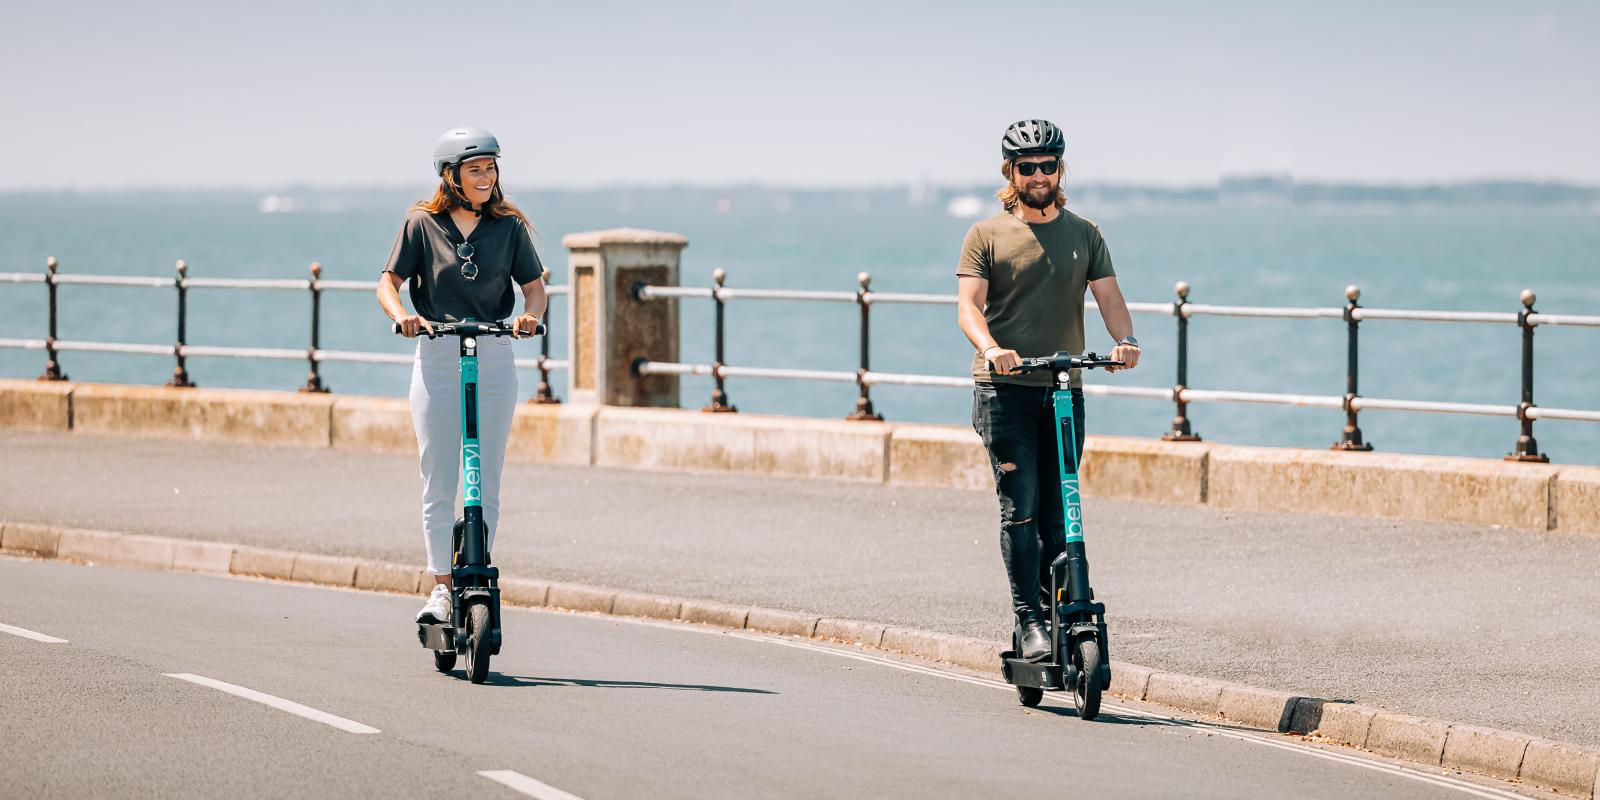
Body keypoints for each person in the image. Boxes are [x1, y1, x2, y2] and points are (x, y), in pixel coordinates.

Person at [956, 119, 1141, 660]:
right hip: (1004, 391)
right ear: (1010, 173)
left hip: (1063, 389)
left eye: (1047, 165)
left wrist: (1125, 340)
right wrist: (992, 349)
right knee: (1023, 508)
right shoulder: (986, 235)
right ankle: (1031, 619)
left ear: (1061, 169)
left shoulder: (1086, 233)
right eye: (1027, 167)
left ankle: (1063, 610)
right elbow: (969, 306)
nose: (1039, 175)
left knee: (1064, 511)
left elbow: (1109, 299)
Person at [375, 127, 548, 623]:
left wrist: (530, 315)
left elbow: (534, 288)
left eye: (491, 168)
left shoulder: (508, 228)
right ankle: (442, 588)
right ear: (450, 176)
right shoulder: (421, 224)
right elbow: (388, 282)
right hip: (436, 355)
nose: (486, 177)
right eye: (475, 169)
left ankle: (476, 569)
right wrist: (401, 315)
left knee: (484, 476)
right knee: (439, 478)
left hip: (493, 353)